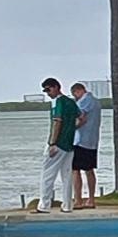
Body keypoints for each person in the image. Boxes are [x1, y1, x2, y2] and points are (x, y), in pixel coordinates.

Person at [37, 78, 78, 211]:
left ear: (56, 87)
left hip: (58, 144)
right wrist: (71, 129)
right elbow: (81, 117)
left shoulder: (58, 102)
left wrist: (52, 143)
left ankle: (44, 205)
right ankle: (67, 205)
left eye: (48, 89)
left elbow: (57, 122)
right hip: (69, 144)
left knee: (47, 174)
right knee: (67, 176)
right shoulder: (71, 102)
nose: (47, 93)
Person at [68, 81, 103, 208]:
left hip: (81, 140)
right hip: (92, 140)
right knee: (89, 170)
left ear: (78, 91)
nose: (75, 97)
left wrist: (71, 128)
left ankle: (78, 200)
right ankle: (91, 199)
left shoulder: (84, 101)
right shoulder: (96, 101)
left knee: (75, 170)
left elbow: (81, 117)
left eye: (74, 94)